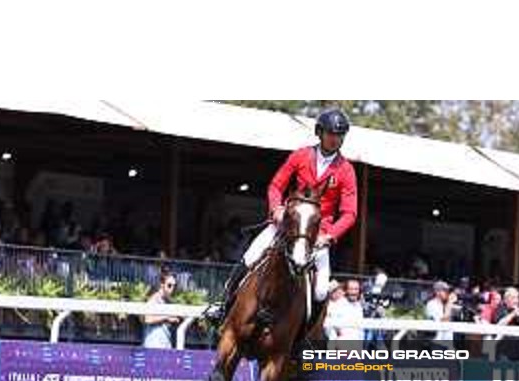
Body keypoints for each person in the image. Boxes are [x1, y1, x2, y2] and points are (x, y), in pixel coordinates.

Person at [209, 108, 358, 325]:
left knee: (320, 290)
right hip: (286, 224)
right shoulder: (300, 156)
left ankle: (305, 336)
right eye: (331, 134)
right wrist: (276, 209)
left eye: (340, 135)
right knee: (250, 256)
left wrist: (329, 236)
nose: (336, 139)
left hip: (318, 234)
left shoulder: (346, 170)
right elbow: (276, 186)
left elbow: (350, 213)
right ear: (320, 132)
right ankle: (222, 307)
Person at [142, 273, 181, 349]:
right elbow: (147, 319)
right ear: (162, 285)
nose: (172, 289)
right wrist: (167, 318)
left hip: (164, 344)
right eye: (169, 285)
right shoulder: (154, 299)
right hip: (153, 345)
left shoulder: (167, 301)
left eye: (174, 286)